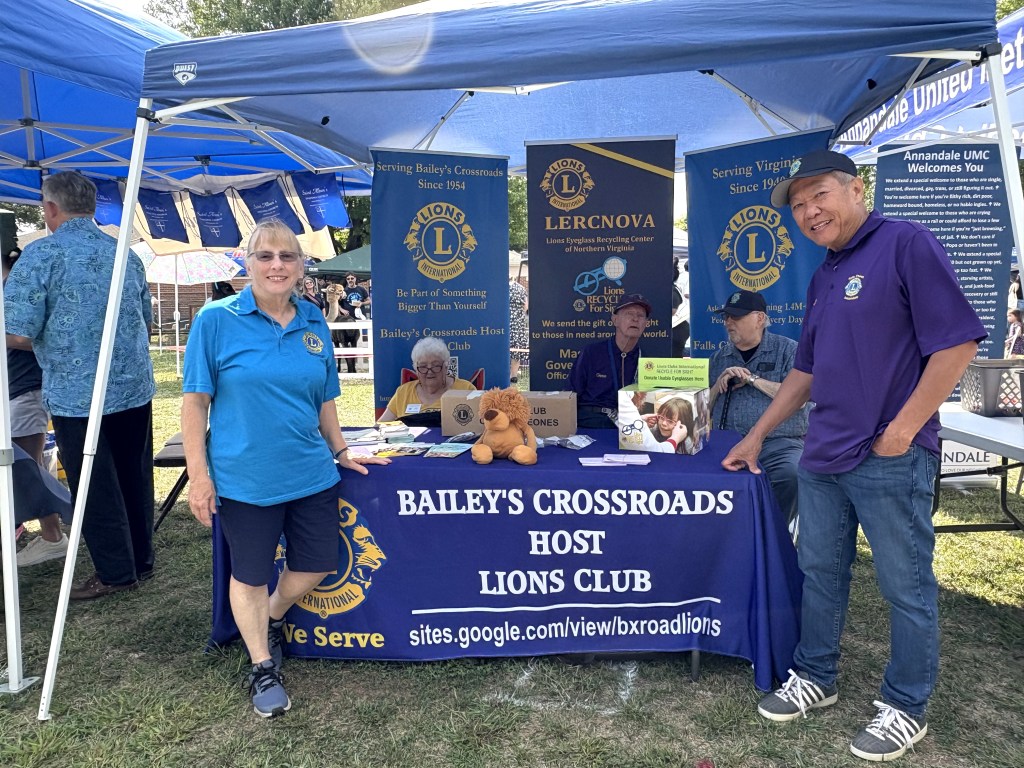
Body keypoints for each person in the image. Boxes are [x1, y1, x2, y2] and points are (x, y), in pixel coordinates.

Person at [723, 149, 985, 762]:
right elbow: (806, 371)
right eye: (798, 205)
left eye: (820, 195)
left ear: (856, 189)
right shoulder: (824, 274)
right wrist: (756, 435)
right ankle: (816, 675)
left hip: (889, 456)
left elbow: (957, 345)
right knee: (820, 572)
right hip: (822, 453)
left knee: (904, 586)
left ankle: (905, 706)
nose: (810, 211)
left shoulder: (906, 243)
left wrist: (902, 430)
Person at [182, 219, 389, 718]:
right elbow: (194, 404)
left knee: (317, 563)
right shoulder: (216, 319)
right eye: (266, 256)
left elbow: (326, 399)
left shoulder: (313, 319)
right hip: (245, 478)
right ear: (248, 263)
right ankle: (261, 665)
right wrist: (199, 476)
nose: (277, 265)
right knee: (250, 574)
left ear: (300, 266)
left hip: (311, 473)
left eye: (287, 256)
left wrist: (341, 451)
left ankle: (273, 615)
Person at [5, 171, 156, 598]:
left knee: (93, 483)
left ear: (50, 208)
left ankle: (115, 572)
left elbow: (16, 331)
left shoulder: (42, 255)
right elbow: (144, 321)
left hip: (77, 393)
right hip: (131, 385)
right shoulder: (125, 254)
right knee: (133, 475)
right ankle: (140, 560)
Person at [709, 289, 807, 532]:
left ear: (760, 319)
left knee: (792, 474)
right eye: (726, 317)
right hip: (727, 442)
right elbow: (701, 410)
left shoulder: (788, 351)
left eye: (736, 316)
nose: (728, 322)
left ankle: (774, 534)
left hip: (779, 443)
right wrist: (718, 385)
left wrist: (752, 379)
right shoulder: (719, 357)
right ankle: (726, 538)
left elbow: (800, 398)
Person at [2, 248, 67, 566]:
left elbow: (34, 337)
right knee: (27, 466)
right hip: (19, 389)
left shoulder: (19, 290)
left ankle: (53, 536)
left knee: (28, 467)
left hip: (26, 389)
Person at [565, 293, 652, 428]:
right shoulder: (591, 352)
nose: (635, 319)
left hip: (627, 425)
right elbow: (570, 393)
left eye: (640, 315)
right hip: (590, 422)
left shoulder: (647, 361)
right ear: (615, 320)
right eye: (629, 314)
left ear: (646, 324)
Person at [378, 336, 476, 426]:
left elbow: (479, 427)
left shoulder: (466, 390)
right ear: (416, 369)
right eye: (423, 366)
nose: (429, 372)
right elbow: (381, 427)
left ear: (446, 366)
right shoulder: (403, 392)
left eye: (435, 365)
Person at [335, 272, 368, 374]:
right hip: (346, 320)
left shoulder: (361, 289)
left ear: (355, 279)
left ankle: (355, 367)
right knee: (345, 344)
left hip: (358, 318)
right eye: (348, 278)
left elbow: (369, 300)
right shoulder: (344, 291)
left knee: (356, 344)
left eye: (352, 278)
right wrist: (342, 310)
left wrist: (361, 303)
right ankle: (350, 368)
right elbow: (337, 303)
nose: (350, 280)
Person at [509, 277, 529, 384]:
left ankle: (507, 375)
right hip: (518, 324)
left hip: (506, 322)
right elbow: (526, 306)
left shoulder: (502, 288)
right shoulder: (521, 288)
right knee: (516, 351)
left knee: (505, 350)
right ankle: (514, 376)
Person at [671, 259, 690, 357]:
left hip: (678, 324)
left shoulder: (673, 290)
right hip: (681, 321)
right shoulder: (688, 277)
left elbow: (673, 310)